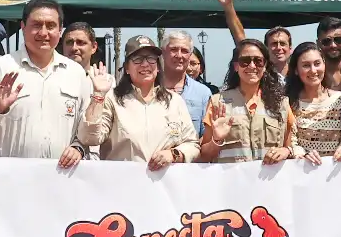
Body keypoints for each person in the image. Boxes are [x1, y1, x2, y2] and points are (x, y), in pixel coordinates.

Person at [0, 0, 92, 165]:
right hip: (11, 179)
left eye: (51, 26)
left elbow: (87, 130)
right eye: (37, 25)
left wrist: (78, 147)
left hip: (62, 179)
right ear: (23, 27)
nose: (43, 33)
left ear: (60, 30)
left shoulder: (75, 73)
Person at [77, 36, 199, 168]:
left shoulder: (174, 101)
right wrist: (98, 96)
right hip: (123, 184)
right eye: (138, 59)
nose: (145, 64)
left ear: (158, 67)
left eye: (151, 59)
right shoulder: (112, 99)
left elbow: (192, 144)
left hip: (164, 185)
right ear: (127, 68)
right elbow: (89, 138)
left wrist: (174, 154)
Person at [199, 39, 293, 164]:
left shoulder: (281, 104)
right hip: (232, 181)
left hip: (269, 181)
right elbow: (205, 156)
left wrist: (286, 151)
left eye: (258, 61)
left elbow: (291, 146)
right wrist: (217, 140)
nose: (252, 66)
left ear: (265, 66)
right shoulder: (217, 102)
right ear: (236, 66)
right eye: (245, 61)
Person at [283, 42, 341, 161]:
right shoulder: (288, 103)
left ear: (324, 64)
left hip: (336, 172)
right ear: (296, 70)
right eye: (306, 65)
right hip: (302, 172)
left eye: (317, 64)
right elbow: (290, 141)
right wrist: (303, 154)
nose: (313, 70)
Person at [159, 31, 213, 139]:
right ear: (163, 53)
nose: (179, 55)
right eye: (173, 49)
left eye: (184, 51)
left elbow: (205, 137)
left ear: (190, 55)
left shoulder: (202, 93)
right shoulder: (148, 89)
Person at [316, 17, 341, 93]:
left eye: (338, 40)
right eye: (327, 41)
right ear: (318, 44)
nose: (333, 45)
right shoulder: (314, 76)